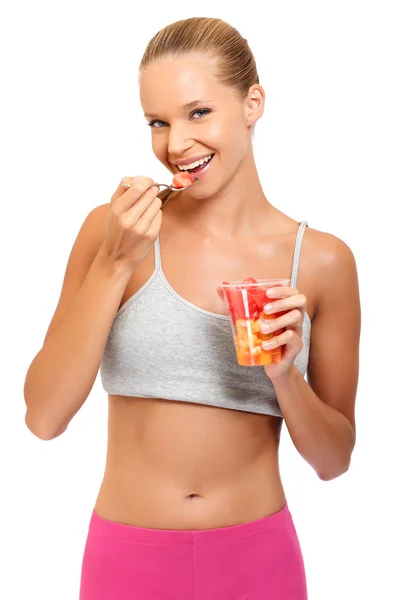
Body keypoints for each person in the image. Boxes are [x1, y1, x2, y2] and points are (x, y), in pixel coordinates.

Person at [23, 16, 361, 600]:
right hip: (126, 561)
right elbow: (44, 418)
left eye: (198, 112)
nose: (175, 144)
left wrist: (285, 376)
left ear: (252, 103)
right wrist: (114, 262)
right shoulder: (111, 231)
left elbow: (334, 460)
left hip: (258, 561)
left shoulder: (322, 261)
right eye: (158, 121)